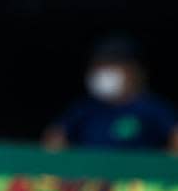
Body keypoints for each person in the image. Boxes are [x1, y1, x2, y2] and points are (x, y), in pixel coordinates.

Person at [43, 36, 178, 153]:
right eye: (99, 66)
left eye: (112, 65)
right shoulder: (84, 109)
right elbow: (55, 139)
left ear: (134, 71)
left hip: (137, 180)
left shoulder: (153, 108)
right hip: (91, 179)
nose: (103, 72)